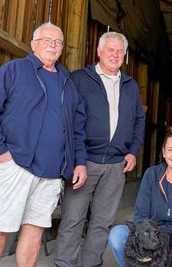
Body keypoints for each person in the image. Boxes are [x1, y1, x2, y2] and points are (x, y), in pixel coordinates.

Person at [0, 22, 88, 267]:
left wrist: (79, 162)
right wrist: (0, 151)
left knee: (35, 230)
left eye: (58, 42)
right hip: (16, 165)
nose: (53, 45)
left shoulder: (66, 81)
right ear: (34, 44)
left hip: (51, 172)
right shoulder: (15, 70)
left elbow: (77, 127)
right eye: (47, 40)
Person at [55, 31, 146, 266]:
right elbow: (66, 120)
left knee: (102, 222)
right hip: (84, 162)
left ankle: (91, 263)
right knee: (73, 219)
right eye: (110, 50)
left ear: (124, 55)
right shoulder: (79, 79)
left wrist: (132, 150)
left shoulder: (130, 85)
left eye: (119, 51)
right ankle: (65, 263)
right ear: (99, 51)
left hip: (116, 165)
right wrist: (77, 160)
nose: (115, 55)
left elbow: (139, 120)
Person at [108, 125, 172, 266]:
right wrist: (149, 244)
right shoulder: (152, 175)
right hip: (153, 238)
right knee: (117, 235)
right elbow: (141, 217)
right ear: (164, 153)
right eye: (170, 150)